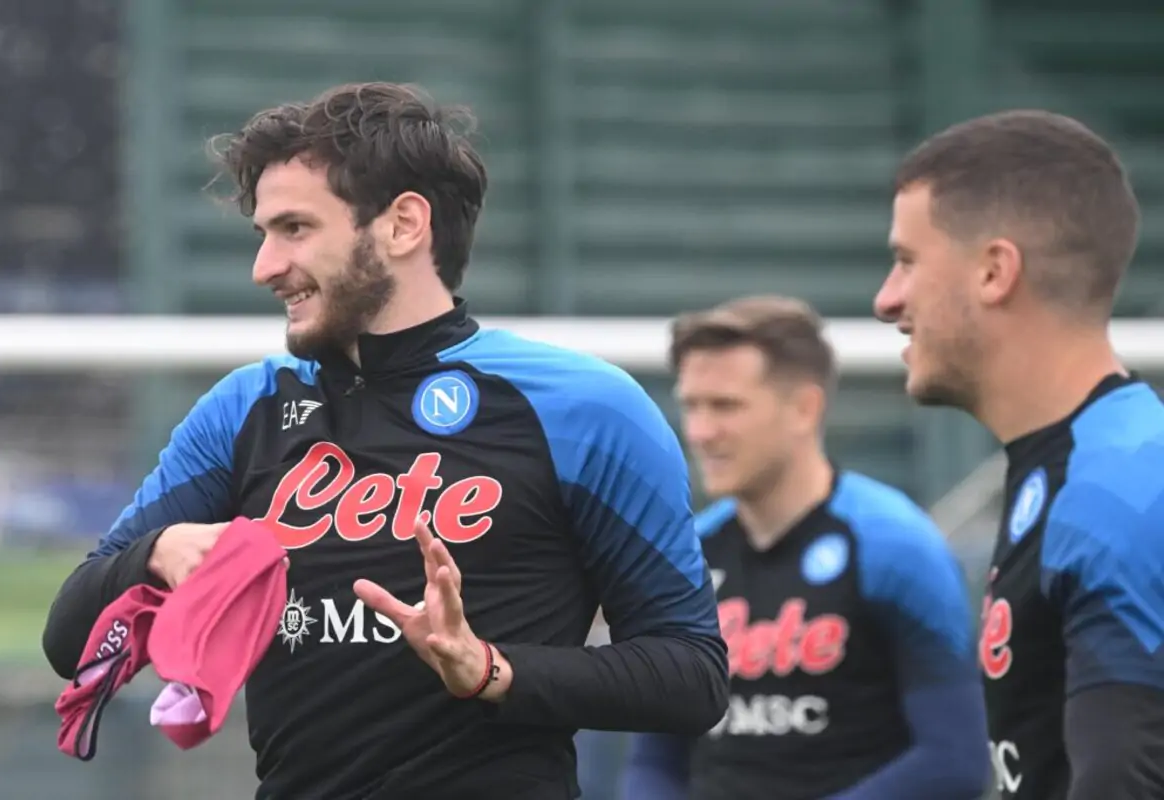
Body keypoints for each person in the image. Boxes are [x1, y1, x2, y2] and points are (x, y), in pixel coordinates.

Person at [41, 82, 728, 800]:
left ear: (403, 225)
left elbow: (692, 676)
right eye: (264, 234)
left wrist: (492, 671)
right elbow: (69, 643)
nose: (264, 267)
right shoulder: (243, 409)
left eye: (295, 228)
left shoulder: (585, 408)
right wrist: (155, 553)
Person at [874, 108, 1164, 799]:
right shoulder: (1070, 469)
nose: (887, 300)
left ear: (994, 271)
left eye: (907, 261)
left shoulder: (1116, 492)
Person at [619, 296, 988, 800]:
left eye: (725, 406)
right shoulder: (685, 557)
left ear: (804, 409)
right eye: (691, 406)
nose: (700, 432)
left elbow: (955, 761)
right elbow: (654, 762)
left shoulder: (893, 545)